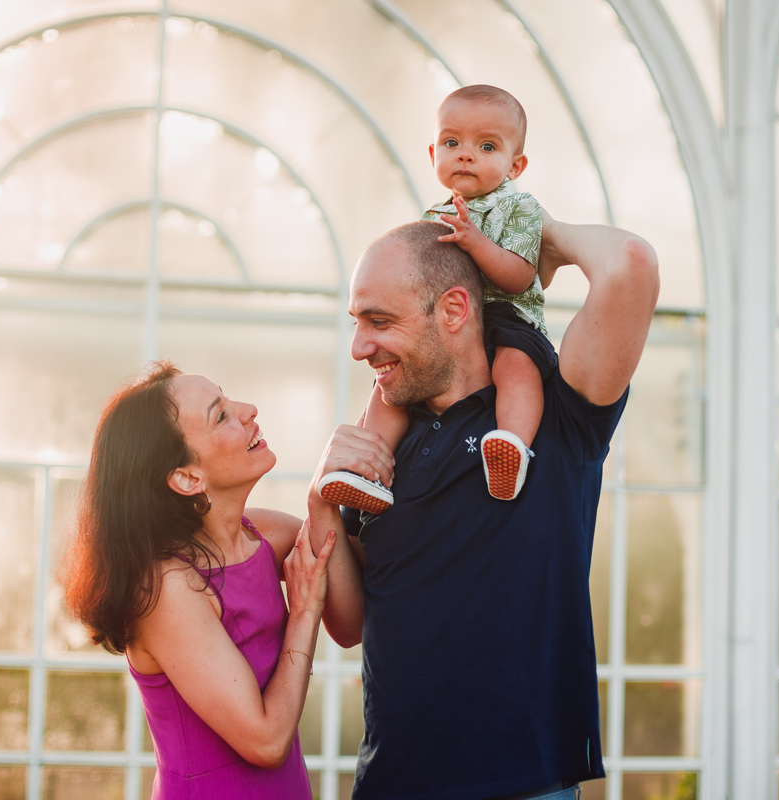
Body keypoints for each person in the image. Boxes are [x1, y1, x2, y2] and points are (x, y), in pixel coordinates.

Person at [305, 216, 659, 799]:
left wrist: (533, 232)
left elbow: (632, 265)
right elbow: (346, 626)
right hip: (391, 783)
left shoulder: (555, 415)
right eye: (357, 322)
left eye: (380, 321)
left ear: (453, 311)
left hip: (523, 785)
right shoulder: (384, 446)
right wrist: (319, 500)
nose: (359, 346)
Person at [62, 362, 350, 799]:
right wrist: (305, 610)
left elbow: (353, 619)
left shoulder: (264, 536)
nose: (249, 410)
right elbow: (267, 741)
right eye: (221, 415)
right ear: (187, 477)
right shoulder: (165, 588)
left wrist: (324, 501)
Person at [317, 85, 553, 512]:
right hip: (454, 328)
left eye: (486, 146)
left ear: (515, 165)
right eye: (451, 142)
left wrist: (475, 242)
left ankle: (511, 445)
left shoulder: (520, 208)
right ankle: (370, 469)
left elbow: (519, 277)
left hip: (509, 316)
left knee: (517, 367)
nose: (465, 154)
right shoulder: (433, 217)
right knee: (388, 391)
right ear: (432, 155)